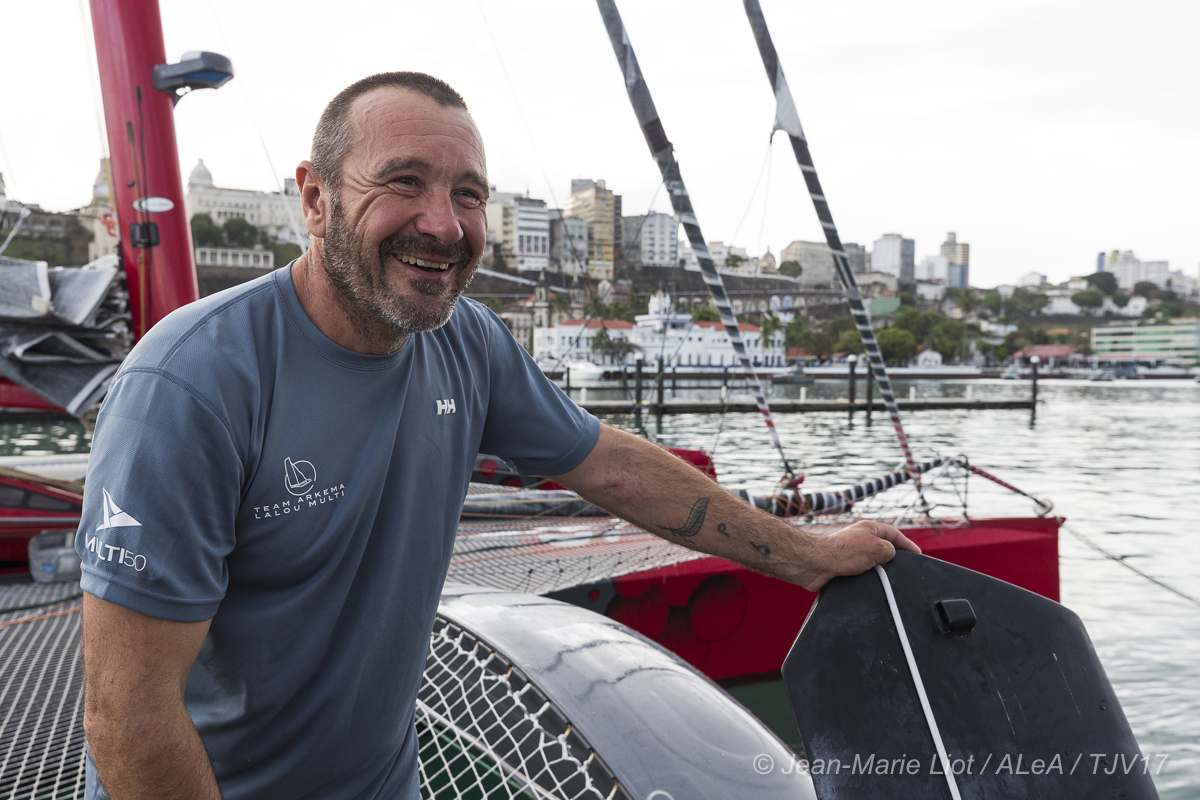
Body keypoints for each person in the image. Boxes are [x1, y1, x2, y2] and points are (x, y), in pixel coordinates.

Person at [77, 72, 917, 800]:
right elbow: (127, 714)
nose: (443, 224)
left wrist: (806, 554)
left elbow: (612, 466)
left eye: (469, 193)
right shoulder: (193, 383)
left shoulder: (465, 342)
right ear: (314, 199)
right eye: (403, 182)